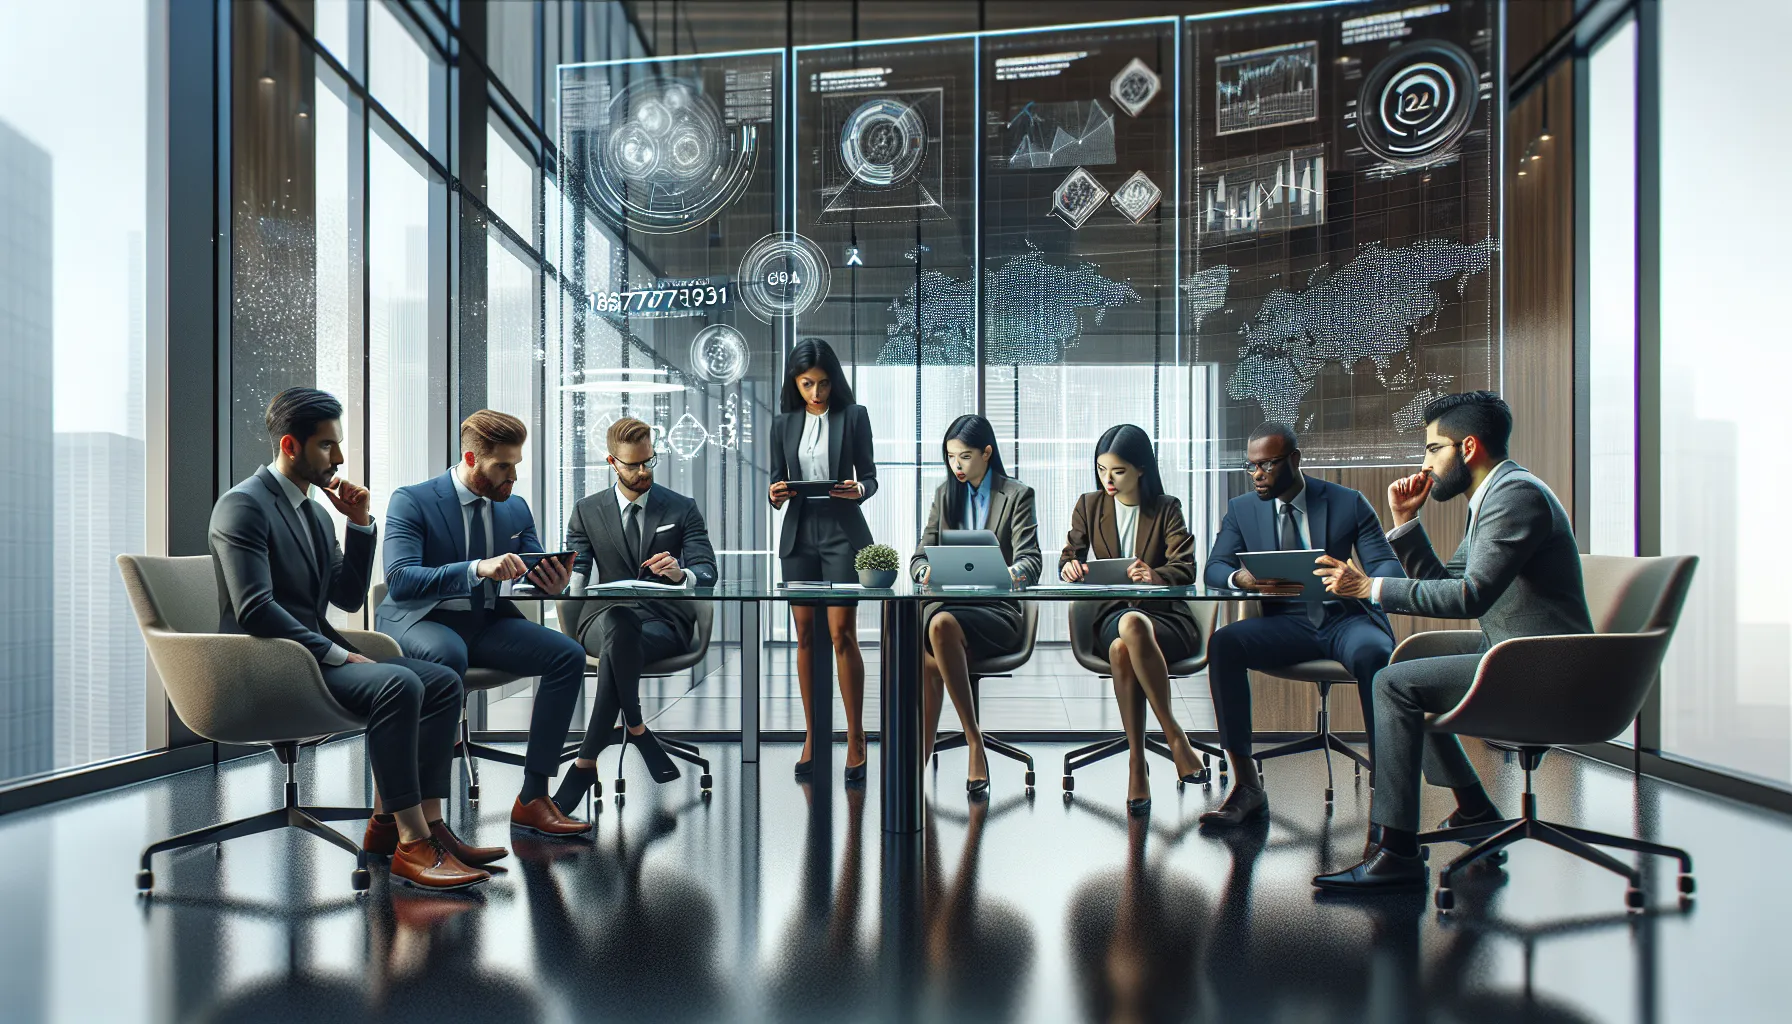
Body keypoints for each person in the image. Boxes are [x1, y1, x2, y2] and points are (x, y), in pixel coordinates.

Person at [1312, 391, 1593, 893]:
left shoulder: (1514, 497)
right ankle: (1473, 808)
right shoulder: (1493, 496)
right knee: (1405, 665)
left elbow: (1468, 597)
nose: (1425, 464)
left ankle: (1394, 850)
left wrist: (1367, 586)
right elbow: (1452, 580)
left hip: (1547, 668)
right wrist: (1405, 524)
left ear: (1467, 448)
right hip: (1515, 651)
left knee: (1394, 685)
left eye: (1432, 450)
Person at [209, 388, 486, 891]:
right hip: (266, 664)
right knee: (397, 686)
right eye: (326, 446)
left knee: (443, 682)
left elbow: (347, 594)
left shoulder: (316, 513)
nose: (338, 458)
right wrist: (339, 653)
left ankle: (423, 823)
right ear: (290, 445)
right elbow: (255, 610)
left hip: (315, 657)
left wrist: (358, 525)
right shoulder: (242, 506)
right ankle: (411, 844)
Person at [377, 409, 592, 841]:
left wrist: (553, 583)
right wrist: (476, 568)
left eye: (516, 465)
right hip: (422, 619)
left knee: (568, 655)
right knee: (448, 655)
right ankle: (424, 820)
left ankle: (533, 797)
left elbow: (532, 572)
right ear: (472, 459)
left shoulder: (514, 508)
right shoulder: (413, 499)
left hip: (484, 622)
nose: (512, 477)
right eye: (503, 467)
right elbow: (399, 581)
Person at [1198, 421, 1404, 826]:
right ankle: (1246, 786)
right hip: (1286, 624)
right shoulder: (1242, 510)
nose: (1258, 475)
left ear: (1294, 459)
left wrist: (1359, 581)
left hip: (1343, 618)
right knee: (1224, 644)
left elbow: (1386, 566)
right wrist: (1241, 579)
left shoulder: (1347, 502)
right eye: (1251, 467)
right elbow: (1215, 567)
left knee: (1375, 653)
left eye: (1268, 465)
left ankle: (1389, 785)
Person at [555, 416, 719, 813]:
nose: (644, 471)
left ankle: (586, 760)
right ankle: (636, 726)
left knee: (622, 632)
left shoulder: (681, 508)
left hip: (663, 622)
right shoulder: (586, 509)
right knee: (618, 624)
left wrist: (682, 574)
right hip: (602, 618)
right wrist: (563, 583)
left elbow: (708, 569)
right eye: (634, 464)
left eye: (650, 461)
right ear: (613, 462)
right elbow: (576, 574)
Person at [1060, 424, 1207, 815]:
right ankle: (1176, 738)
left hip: (1165, 621)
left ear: (1141, 469)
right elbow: (1069, 554)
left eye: (1118, 471)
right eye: (1101, 469)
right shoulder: (1089, 505)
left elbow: (1186, 567)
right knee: (1127, 626)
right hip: (1111, 614)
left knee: (1124, 645)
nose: (1107, 480)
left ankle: (1136, 763)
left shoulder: (1166, 507)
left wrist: (1157, 576)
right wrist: (1071, 567)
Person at [910, 414, 1042, 796]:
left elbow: (1031, 561)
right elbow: (919, 558)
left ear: (986, 453)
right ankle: (973, 741)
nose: (957, 466)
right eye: (951, 457)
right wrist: (924, 573)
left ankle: (965, 743)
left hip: (996, 612)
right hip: (948, 605)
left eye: (965, 456)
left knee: (933, 641)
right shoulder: (943, 495)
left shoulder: (1017, 495)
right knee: (938, 629)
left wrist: (1005, 573)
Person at [768, 338, 879, 782]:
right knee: (805, 636)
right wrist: (774, 493)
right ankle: (814, 735)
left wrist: (860, 490)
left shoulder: (854, 417)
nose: (816, 393)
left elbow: (869, 476)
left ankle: (854, 735)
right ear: (795, 383)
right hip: (799, 533)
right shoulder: (782, 423)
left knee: (842, 634)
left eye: (824, 383)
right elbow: (778, 483)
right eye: (807, 383)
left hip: (841, 531)